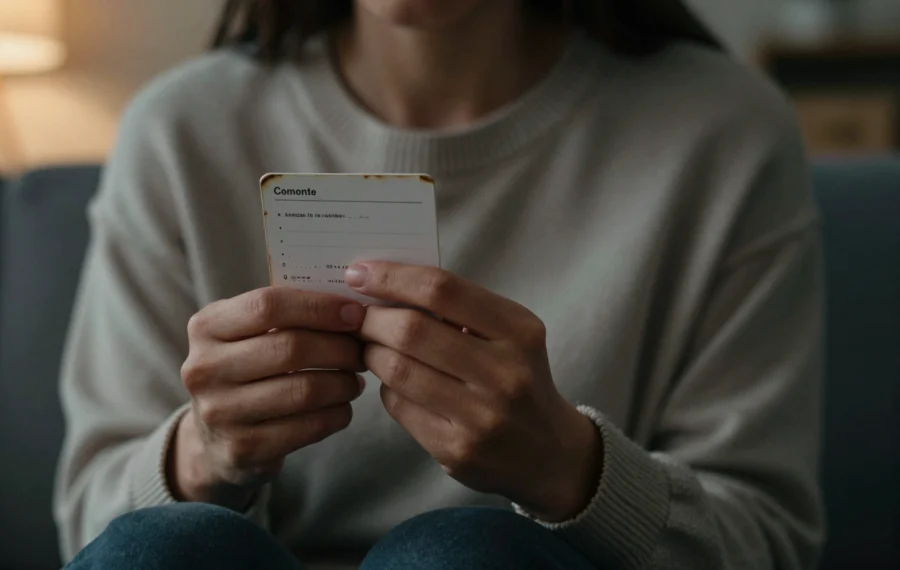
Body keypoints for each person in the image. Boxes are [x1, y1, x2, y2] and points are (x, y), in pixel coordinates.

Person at [53, 0, 826, 568]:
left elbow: (768, 543)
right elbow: (91, 532)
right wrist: (202, 455)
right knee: (163, 553)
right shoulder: (180, 131)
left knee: (465, 559)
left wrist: (572, 469)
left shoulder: (725, 134)